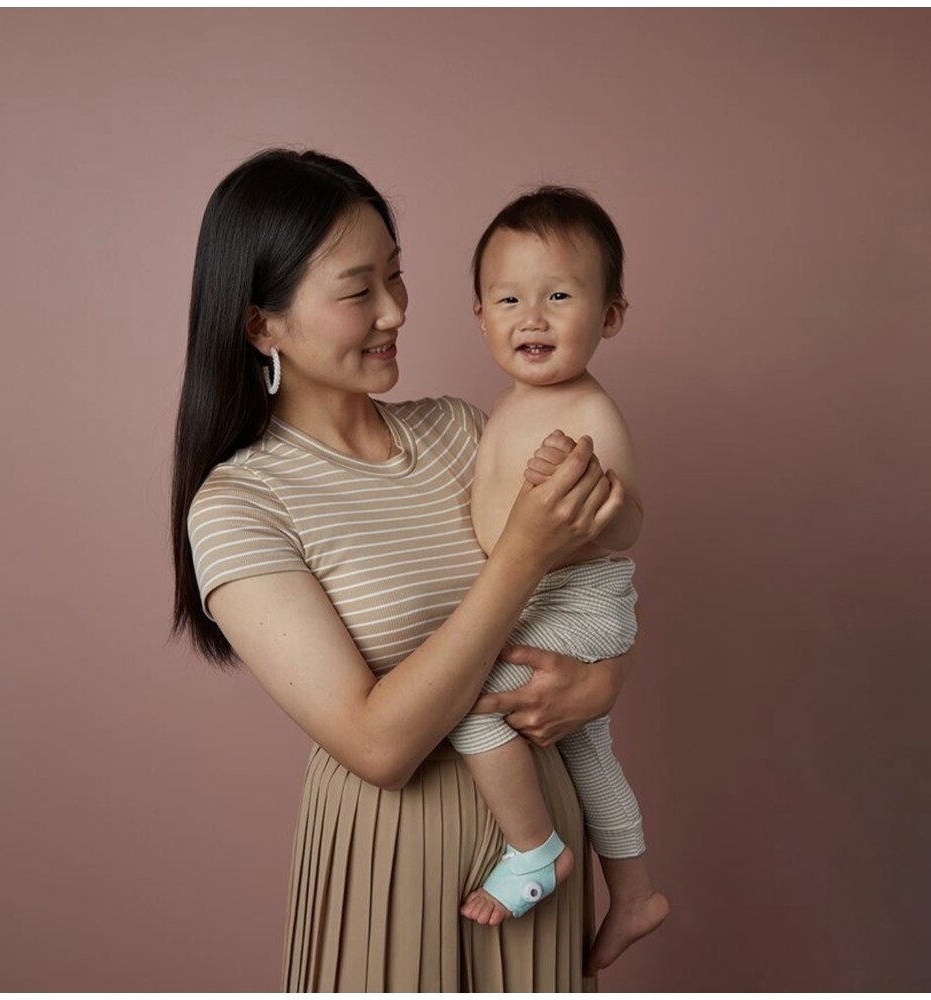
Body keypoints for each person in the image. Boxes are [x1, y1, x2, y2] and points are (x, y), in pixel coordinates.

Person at [171, 148, 637, 991]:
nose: (395, 310)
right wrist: (522, 552)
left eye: (396, 274)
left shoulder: (463, 429)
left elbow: (585, 593)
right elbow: (378, 746)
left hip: (543, 844)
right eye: (359, 291)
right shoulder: (242, 505)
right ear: (262, 326)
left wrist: (600, 683)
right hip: (396, 853)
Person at [446, 187, 669, 969]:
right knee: (590, 750)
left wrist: (594, 499)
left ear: (610, 315)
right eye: (509, 299)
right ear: (481, 316)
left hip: (579, 602)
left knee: (469, 703)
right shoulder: (510, 401)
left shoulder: (591, 414)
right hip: (546, 598)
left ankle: (533, 846)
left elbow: (629, 525)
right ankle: (635, 894)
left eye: (560, 297)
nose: (532, 318)